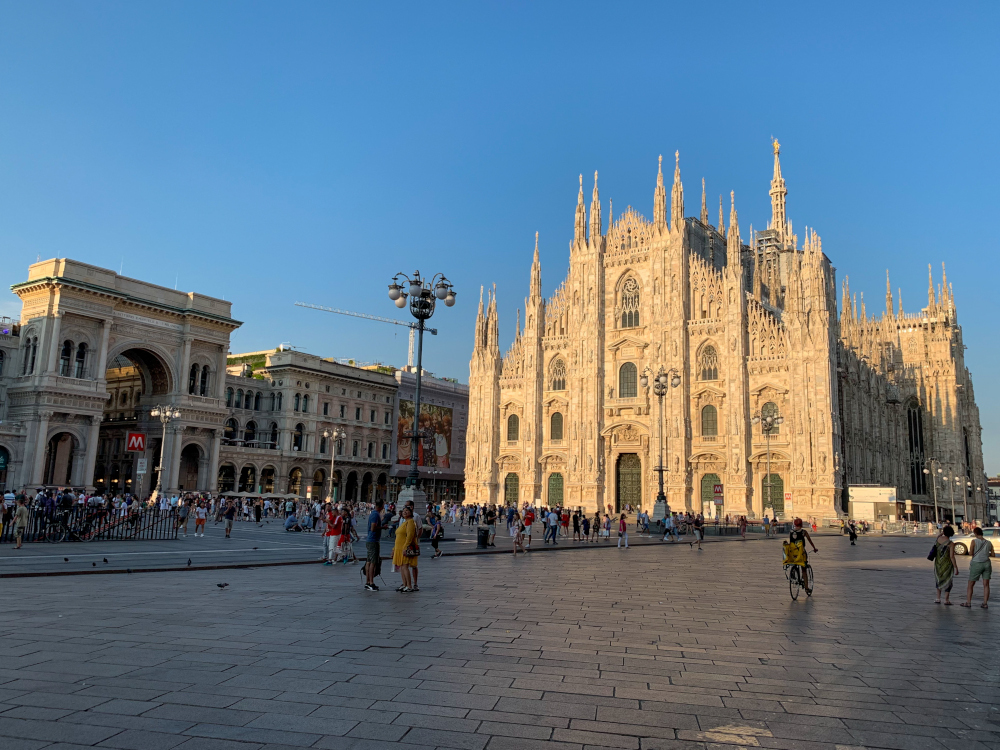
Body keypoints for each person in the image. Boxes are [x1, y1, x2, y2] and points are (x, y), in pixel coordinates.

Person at [961, 527, 993, 609]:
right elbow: (993, 554)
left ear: (975, 533)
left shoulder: (974, 541)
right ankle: (985, 603)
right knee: (986, 584)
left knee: (971, 584)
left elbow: (971, 553)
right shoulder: (989, 542)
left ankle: (968, 602)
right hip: (987, 564)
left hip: (976, 563)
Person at [784, 518, 819, 592]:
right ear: (801, 524)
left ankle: (794, 573)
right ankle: (806, 588)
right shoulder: (804, 532)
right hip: (801, 553)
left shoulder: (791, 531)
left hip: (793, 553)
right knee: (804, 570)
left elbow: (791, 542)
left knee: (794, 563)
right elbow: (810, 541)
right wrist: (814, 548)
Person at [392, 506, 419, 593]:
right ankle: (404, 584)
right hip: (399, 548)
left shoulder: (410, 522)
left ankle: (409, 586)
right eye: (403, 511)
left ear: (411, 512)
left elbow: (410, 536)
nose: (405, 512)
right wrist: (394, 549)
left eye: (407, 510)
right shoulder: (405, 522)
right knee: (402, 567)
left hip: (403, 548)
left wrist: (405, 547)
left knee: (405, 566)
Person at [933, 525, 958, 604]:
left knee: (938, 579)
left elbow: (938, 536)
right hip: (947, 564)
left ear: (944, 532)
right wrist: (956, 567)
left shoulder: (938, 539)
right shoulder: (951, 544)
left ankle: (938, 598)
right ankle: (946, 600)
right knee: (948, 581)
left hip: (938, 563)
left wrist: (941, 533)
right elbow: (952, 556)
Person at [363, 499, 384, 591]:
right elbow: (373, 528)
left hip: (370, 540)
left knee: (369, 561)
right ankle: (371, 582)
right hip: (373, 540)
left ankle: (367, 582)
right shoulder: (376, 514)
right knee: (373, 562)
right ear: (382, 506)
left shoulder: (373, 513)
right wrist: (383, 527)